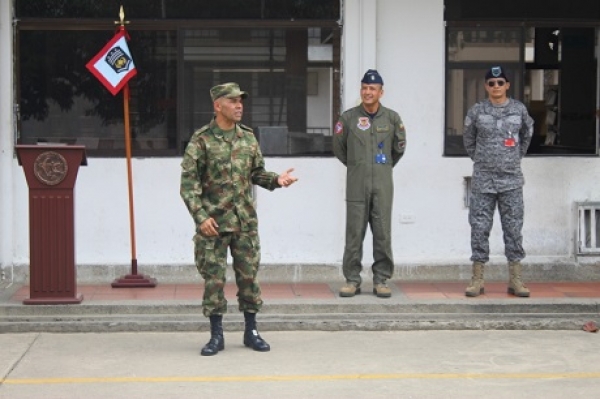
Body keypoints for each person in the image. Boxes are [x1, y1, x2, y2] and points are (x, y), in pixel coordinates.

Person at [180, 82, 298, 356]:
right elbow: (188, 185)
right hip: (214, 225)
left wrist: (277, 180)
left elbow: (257, 173)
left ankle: (251, 331)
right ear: (217, 105)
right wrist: (200, 217)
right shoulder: (201, 140)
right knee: (214, 281)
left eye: (241, 101)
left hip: (244, 223)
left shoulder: (248, 138)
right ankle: (216, 336)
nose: (239, 105)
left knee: (249, 278)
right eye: (232, 101)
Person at [333, 69, 407, 298]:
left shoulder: (392, 118)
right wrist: (359, 166)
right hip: (357, 183)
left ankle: (381, 279)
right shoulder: (348, 118)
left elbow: (399, 148)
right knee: (354, 233)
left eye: (372, 89)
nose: (368, 92)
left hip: (383, 185)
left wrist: (381, 168)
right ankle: (352, 280)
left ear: (381, 92)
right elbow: (339, 149)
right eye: (364, 88)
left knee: (383, 232)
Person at [463, 66, 534, 298]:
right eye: (491, 83)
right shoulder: (477, 111)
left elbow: (527, 136)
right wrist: (482, 160)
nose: (496, 87)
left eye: (500, 83)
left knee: (513, 229)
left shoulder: (518, 110)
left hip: (511, 180)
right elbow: (468, 140)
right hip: (483, 180)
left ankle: (515, 280)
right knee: (479, 228)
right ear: (486, 86)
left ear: (507, 85)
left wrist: (513, 158)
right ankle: (477, 279)